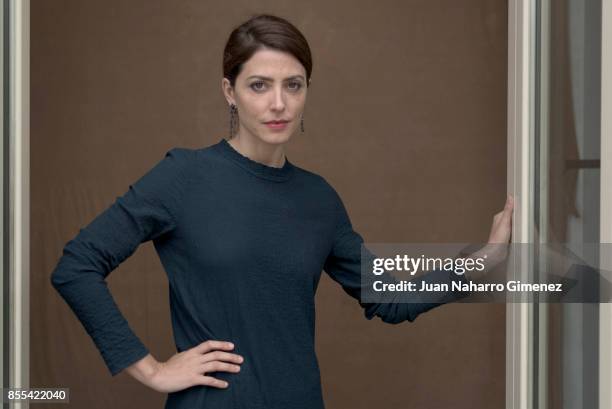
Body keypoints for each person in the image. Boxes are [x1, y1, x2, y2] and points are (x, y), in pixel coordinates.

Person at [50, 13, 514, 409]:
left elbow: (389, 297)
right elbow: (77, 266)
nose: (279, 103)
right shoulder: (184, 177)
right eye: (259, 85)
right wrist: (152, 370)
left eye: (293, 85)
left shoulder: (319, 200)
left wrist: (482, 262)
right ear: (229, 91)